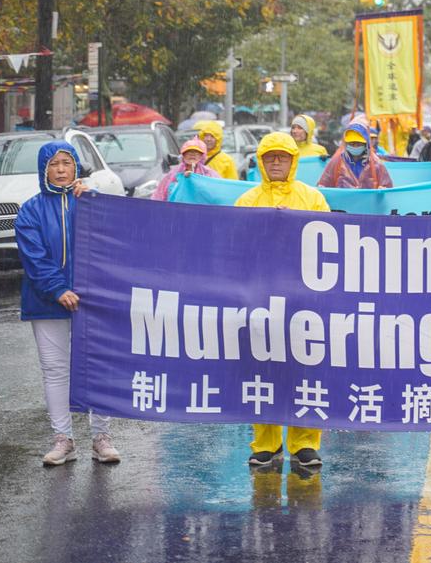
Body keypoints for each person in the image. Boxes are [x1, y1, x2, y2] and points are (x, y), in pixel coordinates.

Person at [16, 141, 120, 466]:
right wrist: (57, 288)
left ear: (76, 166)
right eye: (53, 164)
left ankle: (101, 437)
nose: (60, 169)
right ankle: (63, 439)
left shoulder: (89, 201)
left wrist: (94, 202)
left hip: (92, 300)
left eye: (66, 163)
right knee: (55, 370)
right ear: (43, 169)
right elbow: (33, 257)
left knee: (97, 365)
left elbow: (113, 238)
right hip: (46, 301)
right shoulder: (30, 210)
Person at [235, 132, 331, 467]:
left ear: (293, 161)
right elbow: (235, 246)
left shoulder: (313, 198)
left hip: (304, 297)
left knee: (304, 368)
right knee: (262, 368)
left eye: (283, 157)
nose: (276, 163)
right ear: (261, 162)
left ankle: (304, 443)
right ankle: (266, 442)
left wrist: (295, 225)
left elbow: (328, 241)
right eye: (270, 157)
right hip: (260, 296)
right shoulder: (247, 201)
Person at [318, 120, 393, 189]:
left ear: (366, 144)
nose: (355, 146)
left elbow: (387, 188)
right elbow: (323, 185)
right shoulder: (337, 161)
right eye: (352, 143)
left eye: (358, 143)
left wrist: (383, 189)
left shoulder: (376, 164)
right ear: (346, 143)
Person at [152, 138, 220, 201]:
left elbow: (217, 193)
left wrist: (195, 179)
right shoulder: (173, 174)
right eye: (189, 152)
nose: (192, 155)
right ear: (183, 155)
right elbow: (159, 195)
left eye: (196, 153)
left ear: (201, 156)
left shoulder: (208, 173)